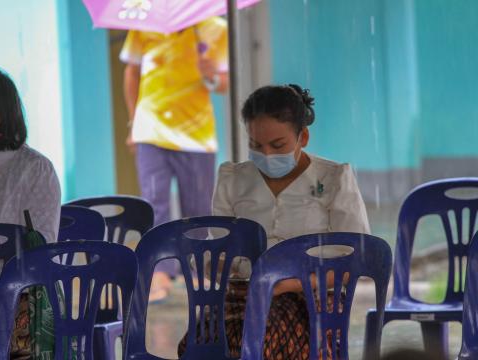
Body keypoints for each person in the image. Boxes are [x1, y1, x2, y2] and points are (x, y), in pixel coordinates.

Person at [179, 84, 370, 359]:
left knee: (268, 340)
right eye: (256, 146)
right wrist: (216, 263)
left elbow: (355, 262)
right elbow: (221, 251)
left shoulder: (333, 178)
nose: (266, 155)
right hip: (243, 296)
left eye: (277, 145)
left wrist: (288, 284)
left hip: (313, 300)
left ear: (302, 136)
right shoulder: (234, 179)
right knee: (199, 343)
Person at [120, 17, 229, 302]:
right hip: (151, 131)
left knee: (198, 206)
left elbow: (225, 83)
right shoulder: (144, 25)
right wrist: (133, 123)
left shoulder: (216, 29)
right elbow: (132, 73)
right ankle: (159, 271)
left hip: (196, 134)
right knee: (154, 202)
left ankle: (195, 268)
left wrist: (212, 75)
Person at [0, 69, 61, 358]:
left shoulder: (36, 167)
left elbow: (40, 246)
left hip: (15, 295)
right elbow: (41, 242)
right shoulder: (38, 167)